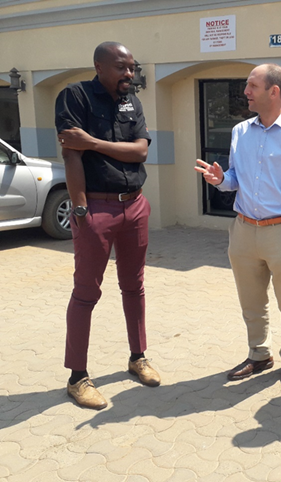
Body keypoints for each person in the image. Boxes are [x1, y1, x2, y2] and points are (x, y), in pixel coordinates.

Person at [195, 64, 281, 390]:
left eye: (252, 85)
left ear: (274, 91)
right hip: (243, 231)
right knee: (251, 301)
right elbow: (236, 178)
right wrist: (221, 179)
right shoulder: (240, 132)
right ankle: (258, 354)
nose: (246, 92)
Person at [55, 41, 161, 410]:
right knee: (86, 293)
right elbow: (72, 153)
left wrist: (93, 143)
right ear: (99, 66)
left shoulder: (132, 101)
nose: (129, 74)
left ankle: (138, 357)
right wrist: (81, 210)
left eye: (132, 67)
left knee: (135, 286)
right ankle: (77, 377)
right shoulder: (75, 97)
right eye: (121, 67)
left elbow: (141, 151)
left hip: (135, 205)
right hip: (95, 208)